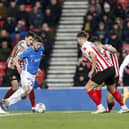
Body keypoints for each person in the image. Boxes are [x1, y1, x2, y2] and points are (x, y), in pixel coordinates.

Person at [77, 31, 129, 113]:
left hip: (104, 69)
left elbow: (94, 56)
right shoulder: (91, 44)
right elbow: (96, 56)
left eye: (77, 40)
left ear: (79, 39)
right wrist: (87, 60)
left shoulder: (84, 46)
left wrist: (92, 70)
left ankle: (100, 107)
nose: (78, 42)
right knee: (111, 89)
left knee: (88, 87)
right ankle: (124, 107)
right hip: (111, 68)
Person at [1, 35, 44, 112]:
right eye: (37, 44)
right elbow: (16, 59)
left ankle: (7, 103)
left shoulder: (41, 49)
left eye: (39, 45)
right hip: (26, 73)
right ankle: (6, 101)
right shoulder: (28, 51)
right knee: (25, 88)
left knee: (24, 95)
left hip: (33, 76)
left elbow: (36, 60)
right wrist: (18, 67)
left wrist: (38, 69)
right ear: (33, 43)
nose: (38, 46)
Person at [94, 41, 119, 112]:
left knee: (109, 100)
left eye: (96, 46)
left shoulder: (107, 46)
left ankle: (110, 107)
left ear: (99, 44)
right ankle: (99, 107)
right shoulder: (97, 53)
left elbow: (114, 50)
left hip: (114, 74)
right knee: (97, 85)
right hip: (105, 74)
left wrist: (105, 47)